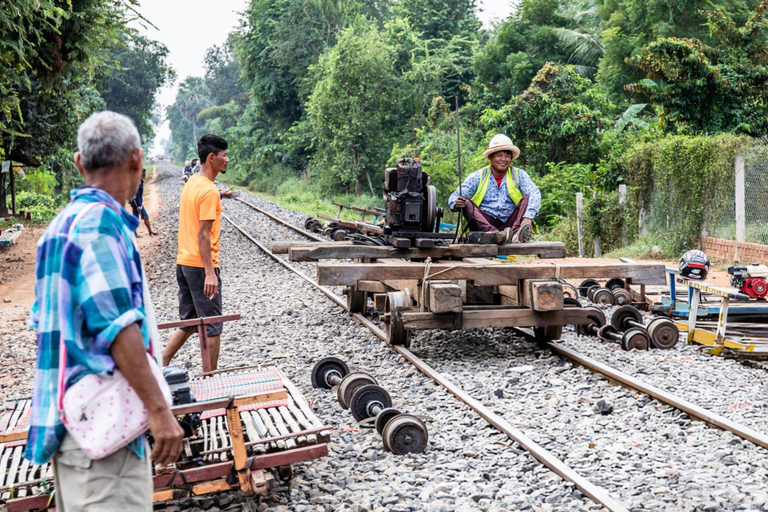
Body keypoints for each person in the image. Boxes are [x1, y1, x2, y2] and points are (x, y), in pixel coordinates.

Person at [26, 111, 183, 511]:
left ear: (79, 163)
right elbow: (117, 328)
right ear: (136, 159)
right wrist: (160, 411)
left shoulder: (58, 227)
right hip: (104, 437)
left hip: (71, 425)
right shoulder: (99, 225)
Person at [163, 134, 233, 370]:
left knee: (191, 321)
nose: (228, 159)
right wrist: (210, 273)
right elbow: (203, 235)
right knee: (212, 325)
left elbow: (201, 202)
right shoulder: (209, 191)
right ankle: (211, 378)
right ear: (211, 158)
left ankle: (162, 360)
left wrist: (222, 195)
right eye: (224, 155)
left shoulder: (193, 182)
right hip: (200, 266)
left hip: (184, 262)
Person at [448, 134, 541, 244]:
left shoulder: (518, 174)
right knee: (466, 202)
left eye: (507, 156)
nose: (503, 159)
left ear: (511, 159)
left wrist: (528, 218)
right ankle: (497, 236)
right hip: (484, 225)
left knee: (527, 199)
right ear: (491, 158)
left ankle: (516, 234)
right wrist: (455, 203)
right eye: (499, 155)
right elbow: (455, 196)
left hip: (510, 226)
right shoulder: (478, 176)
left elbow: (535, 192)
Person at [130, 168, 157, 237]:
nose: (145, 175)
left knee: (141, 217)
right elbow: (136, 195)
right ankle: (137, 233)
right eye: (144, 173)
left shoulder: (140, 182)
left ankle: (149, 232)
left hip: (138, 204)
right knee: (144, 217)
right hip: (137, 204)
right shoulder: (138, 183)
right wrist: (138, 206)